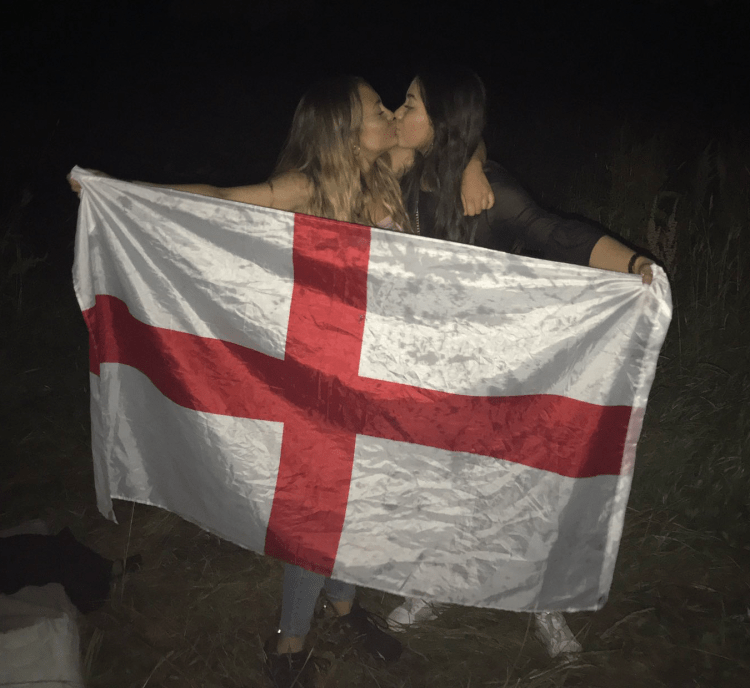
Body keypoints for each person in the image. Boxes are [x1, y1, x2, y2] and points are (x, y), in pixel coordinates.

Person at [69, 74, 495, 688]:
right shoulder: (308, 187)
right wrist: (120, 191)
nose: (389, 113)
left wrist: (474, 165)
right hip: (322, 374)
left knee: (358, 493)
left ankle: (343, 604)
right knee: (322, 500)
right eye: (377, 109)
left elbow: (456, 136)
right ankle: (289, 640)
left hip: (381, 368)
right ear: (347, 130)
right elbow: (220, 197)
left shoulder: (390, 171)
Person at [386, 67, 653, 655]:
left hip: (498, 364)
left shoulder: (492, 192)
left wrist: (636, 266)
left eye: (409, 103)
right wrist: (470, 156)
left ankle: (542, 599)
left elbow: (558, 234)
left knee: (519, 480)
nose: (397, 112)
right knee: (440, 478)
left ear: (442, 119)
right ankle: (435, 582)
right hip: (426, 361)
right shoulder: (400, 173)